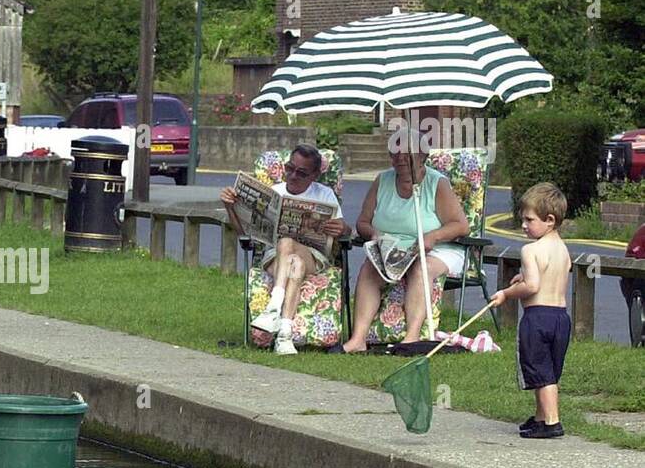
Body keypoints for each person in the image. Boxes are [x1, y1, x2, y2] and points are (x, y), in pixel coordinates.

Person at [338, 146, 470, 352]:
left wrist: (433, 236)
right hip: (392, 248)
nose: (400, 157)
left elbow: (461, 225)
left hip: (435, 249)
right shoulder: (382, 180)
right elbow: (363, 222)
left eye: (407, 152)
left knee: (421, 267)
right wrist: (375, 234)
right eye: (394, 153)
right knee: (369, 269)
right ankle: (358, 339)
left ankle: (412, 337)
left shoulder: (437, 184)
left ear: (423, 156)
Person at [221, 143, 347, 355]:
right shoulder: (274, 193)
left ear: (315, 175)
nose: (293, 175)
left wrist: (341, 227)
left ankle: (273, 307)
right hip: (276, 258)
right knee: (293, 262)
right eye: (289, 168)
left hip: (312, 256)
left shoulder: (324, 194)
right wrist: (229, 206)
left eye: (301, 172)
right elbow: (243, 231)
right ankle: (285, 335)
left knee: (288, 243)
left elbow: (344, 230)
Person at [490, 182, 571, 439]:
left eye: (528, 219)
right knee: (548, 371)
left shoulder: (530, 249)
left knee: (538, 370)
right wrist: (522, 277)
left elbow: (533, 286)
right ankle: (539, 417)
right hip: (560, 318)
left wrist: (506, 293)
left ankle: (551, 422)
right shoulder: (563, 250)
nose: (523, 225)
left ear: (549, 220)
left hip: (537, 318)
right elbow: (544, 278)